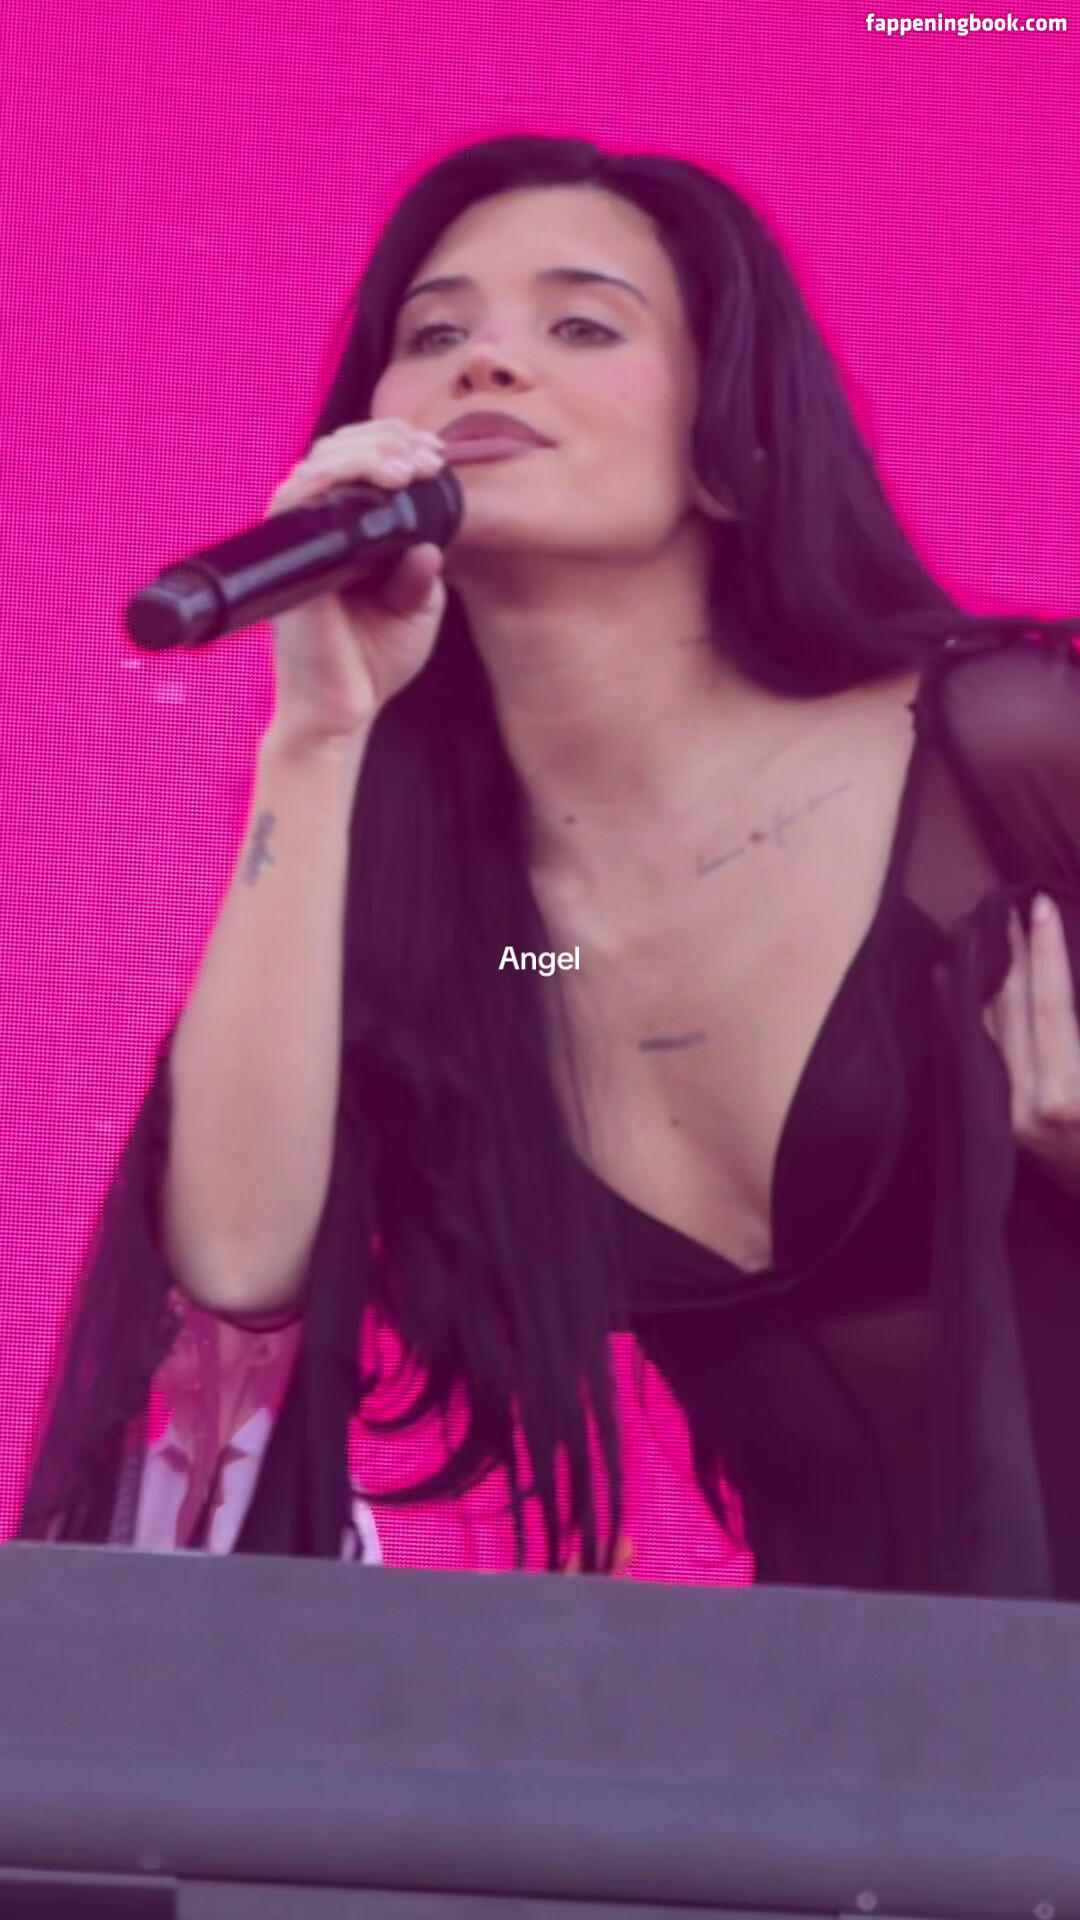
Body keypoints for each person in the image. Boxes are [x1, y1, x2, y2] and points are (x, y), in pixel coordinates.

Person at [17, 133, 1080, 1595]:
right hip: (857, 1714)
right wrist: (316, 738)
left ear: (733, 446)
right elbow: (232, 1282)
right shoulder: (495, 939)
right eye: (432, 334)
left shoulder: (1015, 748)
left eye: (581, 325)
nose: (487, 362)